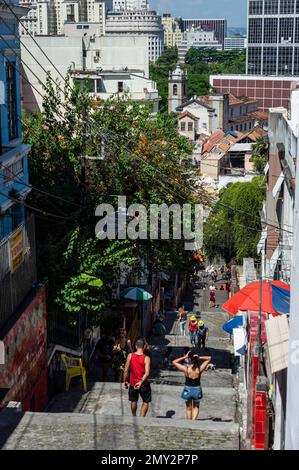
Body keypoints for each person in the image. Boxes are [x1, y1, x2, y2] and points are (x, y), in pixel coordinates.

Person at [172, 349, 211, 420]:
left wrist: (184, 357)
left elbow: (174, 362)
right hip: (197, 389)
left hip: (188, 389)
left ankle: (189, 423)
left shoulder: (186, 369)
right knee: (196, 407)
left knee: (188, 408)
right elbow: (209, 358)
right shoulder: (199, 369)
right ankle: (193, 422)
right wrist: (199, 357)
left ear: (189, 359)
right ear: (195, 359)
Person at [124, 337, 151, 417]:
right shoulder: (147, 358)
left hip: (133, 383)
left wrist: (125, 380)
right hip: (144, 384)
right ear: (143, 347)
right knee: (145, 402)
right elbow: (147, 373)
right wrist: (141, 382)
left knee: (133, 401)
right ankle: (142, 418)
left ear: (136, 346)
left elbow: (126, 370)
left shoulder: (130, 356)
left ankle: (134, 416)